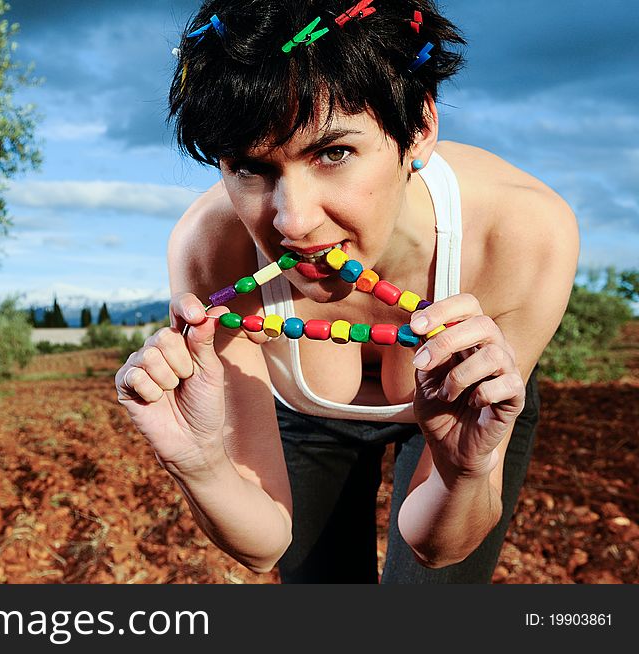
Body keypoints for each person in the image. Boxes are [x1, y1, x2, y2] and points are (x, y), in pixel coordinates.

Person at [115, 0, 579, 583]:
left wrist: (464, 473)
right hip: (302, 416)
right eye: (251, 168)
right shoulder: (212, 252)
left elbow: (442, 550)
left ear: (420, 129)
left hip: (464, 404)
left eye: (334, 153)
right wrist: (199, 462)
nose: (293, 221)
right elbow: (263, 546)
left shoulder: (521, 237)